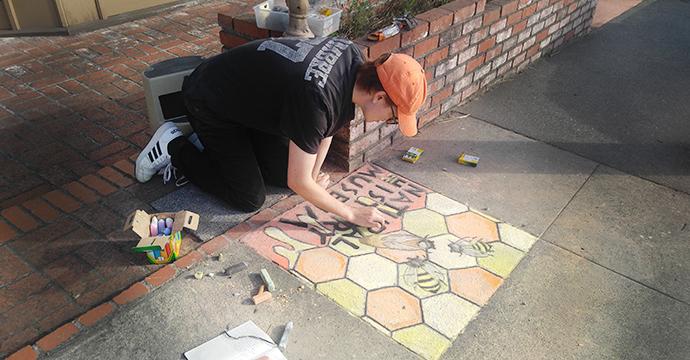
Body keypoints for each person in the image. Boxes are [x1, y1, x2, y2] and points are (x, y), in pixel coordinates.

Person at [135, 36, 427, 228]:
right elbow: (299, 180)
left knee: (285, 178)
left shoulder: (352, 59)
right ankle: (175, 145)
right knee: (248, 198)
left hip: (247, 103)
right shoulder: (315, 99)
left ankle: (225, 149)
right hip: (209, 100)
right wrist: (350, 213)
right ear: (378, 97)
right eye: (393, 117)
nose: (388, 122)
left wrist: (313, 177)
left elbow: (327, 129)